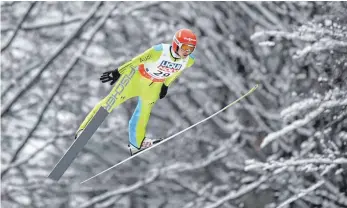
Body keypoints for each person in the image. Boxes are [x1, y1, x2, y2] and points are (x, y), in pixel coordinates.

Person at [75, 29, 197, 155]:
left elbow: (175, 72)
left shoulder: (189, 60)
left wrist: (165, 85)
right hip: (136, 78)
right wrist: (118, 72)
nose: (187, 52)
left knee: (143, 114)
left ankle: (136, 143)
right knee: (111, 101)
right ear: (176, 44)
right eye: (185, 47)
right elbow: (137, 60)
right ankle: (85, 129)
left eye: (191, 49)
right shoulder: (159, 51)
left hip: (155, 84)